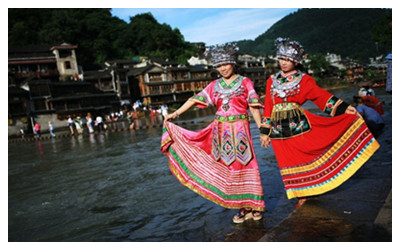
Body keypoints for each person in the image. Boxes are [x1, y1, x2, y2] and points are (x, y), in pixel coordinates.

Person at [259, 38, 380, 207]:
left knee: (305, 155)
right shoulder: (271, 81)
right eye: (281, 58)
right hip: (278, 129)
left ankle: (309, 189)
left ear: (296, 61)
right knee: (287, 161)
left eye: (288, 59)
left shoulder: (304, 80)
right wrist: (265, 132)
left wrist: (344, 108)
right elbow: (268, 107)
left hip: (298, 124)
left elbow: (321, 97)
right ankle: (299, 192)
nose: (283, 63)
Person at [161, 43, 265, 223]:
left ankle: (254, 205)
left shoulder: (245, 82)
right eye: (219, 65)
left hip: (241, 129)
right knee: (228, 167)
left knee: (247, 163)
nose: (223, 68)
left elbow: (254, 108)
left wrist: (263, 131)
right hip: (219, 131)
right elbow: (194, 100)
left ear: (233, 63)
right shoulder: (213, 85)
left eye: (226, 64)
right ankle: (241, 206)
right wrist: (176, 113)